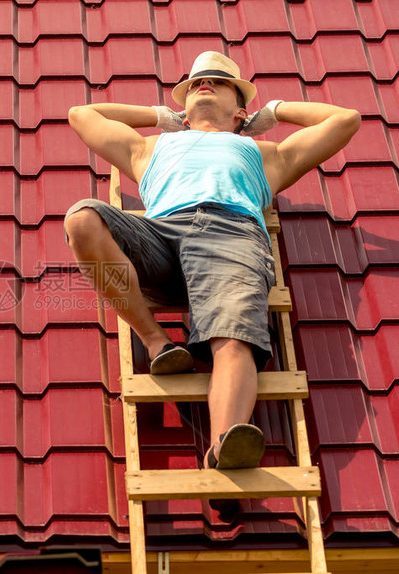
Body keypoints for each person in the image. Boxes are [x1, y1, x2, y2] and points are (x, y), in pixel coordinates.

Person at [64, 51, 360, 482]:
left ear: (241, 110)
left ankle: (225, 445)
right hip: (161, 236)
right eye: (196, 82)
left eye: (218, 82)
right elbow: (81, 113)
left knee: (235, 337)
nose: (204, 84)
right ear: (182, 110)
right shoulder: (149, 147)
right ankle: (156, 342)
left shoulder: (265, 154)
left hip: (231, 236)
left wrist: (273, 113)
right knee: (82, 218)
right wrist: (160, 116)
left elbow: (345, 119)